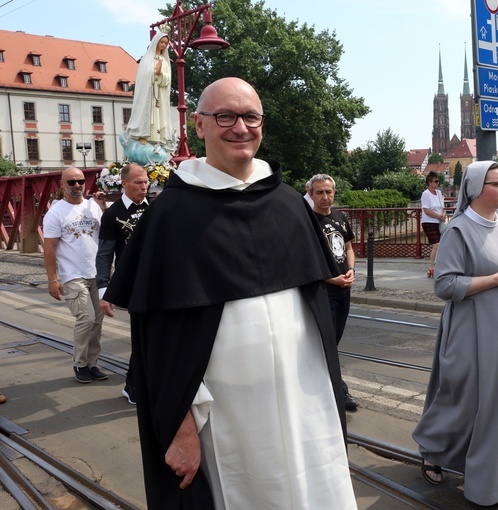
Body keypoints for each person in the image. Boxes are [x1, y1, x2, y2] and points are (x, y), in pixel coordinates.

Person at [103, 77, 356, 509]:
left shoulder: (290, 203)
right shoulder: (171, 215)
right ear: (199, 126)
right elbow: (160, 343)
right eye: (225, 116)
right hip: (227, 416)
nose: (240, 127)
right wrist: (181, 424)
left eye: (251, 116)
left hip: (306, 404)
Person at [412, 161, 498, 508]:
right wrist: (496, 280)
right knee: (462, 399)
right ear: (475, 189)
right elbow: (444, 284)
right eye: (496, 183)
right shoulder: (458, 229)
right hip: (470, 329)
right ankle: (433, 449)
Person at [43, 167, 108, 384]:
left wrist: (104, 207)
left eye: (80, 181)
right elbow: (50, 248)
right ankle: (79, 363)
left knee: (97, 321)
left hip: (96, 273)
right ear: (62, 185)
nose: (77, 185)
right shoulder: (56, 212)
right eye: (71, 182)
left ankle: (92, 363)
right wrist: (53, 279)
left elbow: (109, 233)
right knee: (86, 318)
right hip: (73, 275)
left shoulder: (93, 206)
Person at [95, 162, 150, 404]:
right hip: (133, 283)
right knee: (142, 336)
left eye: (146, 181)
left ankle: (143, 383)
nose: (144, 186)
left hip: (156, 280)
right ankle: (133, 385)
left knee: (154, 335)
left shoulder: (155, 207)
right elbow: (105, 253)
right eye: (138, 182)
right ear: (124, 184)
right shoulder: (113, 214)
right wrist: (104, 289)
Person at [308, 173, 359, 412]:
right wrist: (331, 278)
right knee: (325, 342)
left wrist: (350, 270)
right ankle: (339, 391)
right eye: (319, 192)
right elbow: (303, 261)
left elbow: (349, 247)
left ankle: (327, 385)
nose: (325, 197)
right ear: (310, 194)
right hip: (323, 291)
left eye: (328, 192)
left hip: (343, 288)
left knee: (334, 340)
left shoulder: (340, 217)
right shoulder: (308, 221)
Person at [122, 31, 175, 163]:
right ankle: (143, 135)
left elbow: (167, 78)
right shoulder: (148, 58)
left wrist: (161, 74)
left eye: (166, 43)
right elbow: (143, 77)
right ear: (156, 42)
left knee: (158, 115)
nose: (163, 45)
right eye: (162, 42)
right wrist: (154, 72)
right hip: (148, 93)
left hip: (159, 93)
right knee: (148, 113)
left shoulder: (164, 60)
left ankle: (156, 139)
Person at [420, 171, 447, 278]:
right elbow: (426, 210)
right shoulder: (425, 194)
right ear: (430, 182)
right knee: (437, 245)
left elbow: (442, 207)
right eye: (436, 181)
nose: (437, 183)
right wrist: (438, 216)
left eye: (438, 180)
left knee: (442, 245)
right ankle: (432, 267)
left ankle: (438, 266)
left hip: (439, 222)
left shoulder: (439, 193)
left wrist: (443, 215)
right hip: (428, 222)